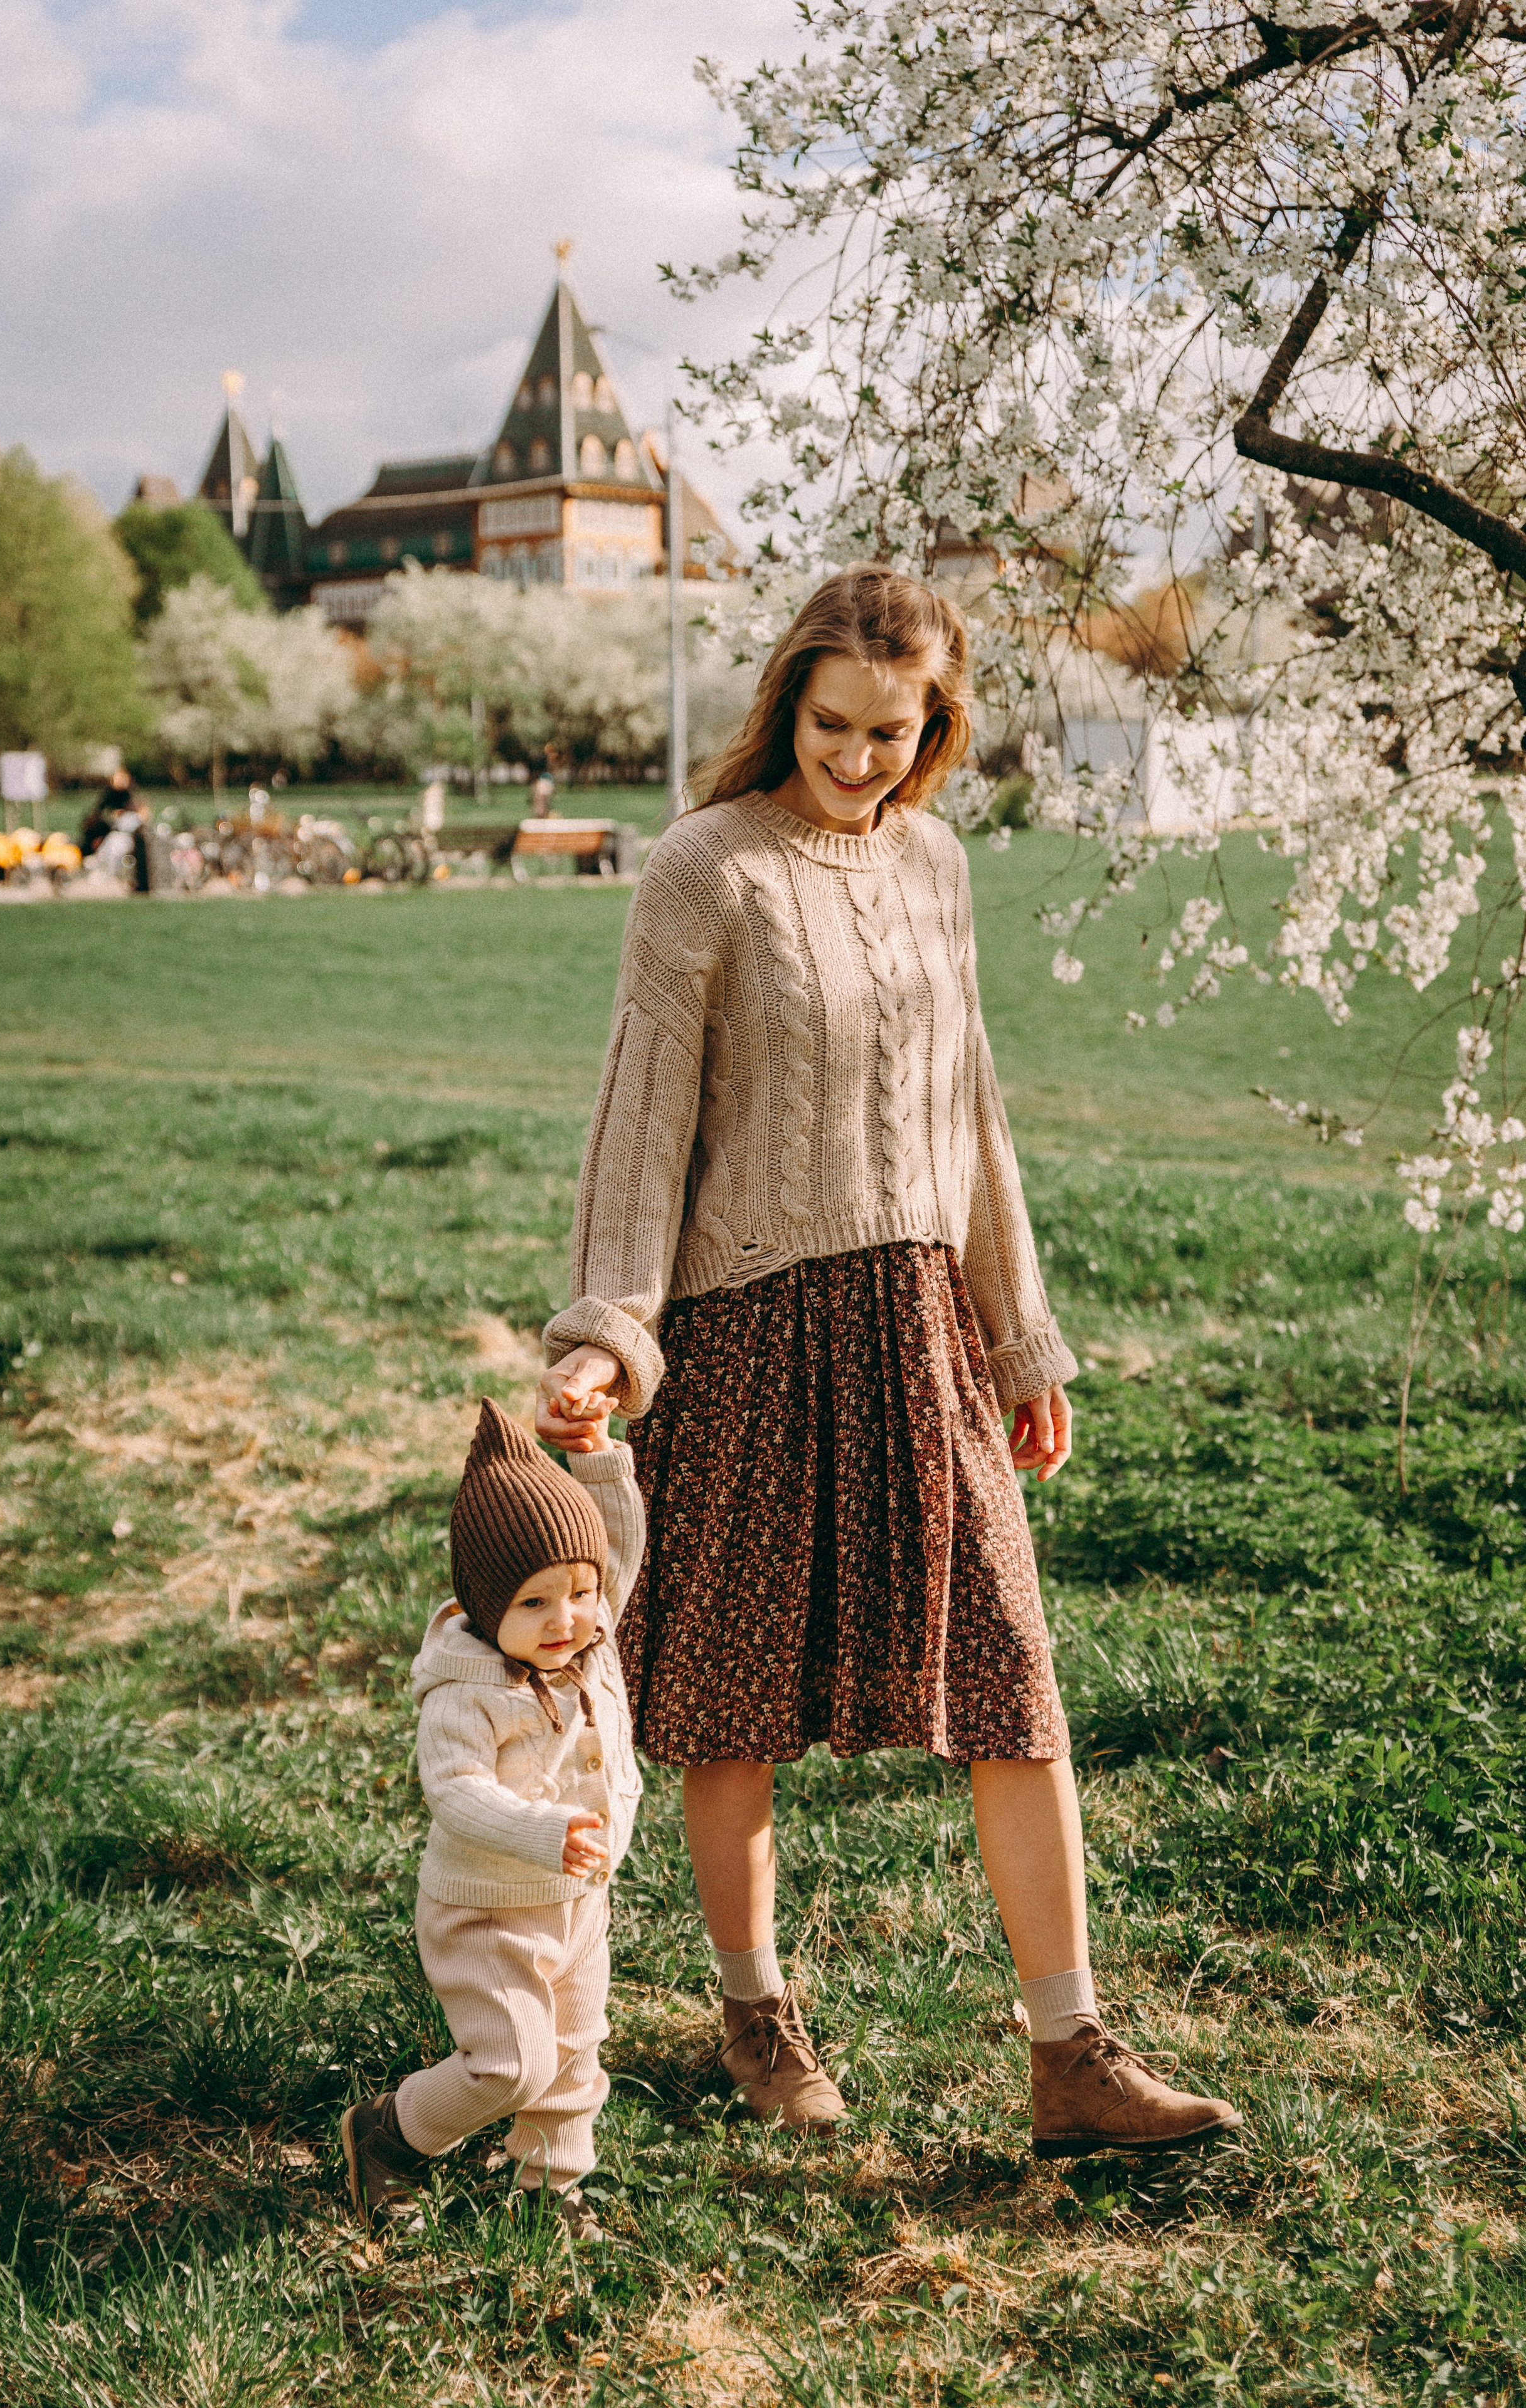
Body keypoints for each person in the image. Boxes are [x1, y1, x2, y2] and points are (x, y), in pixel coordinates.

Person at [537, 564, 1240, 2161]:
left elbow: (970, 1115)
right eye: (831, 724)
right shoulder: (702, 871)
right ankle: (753, 2014)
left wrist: (1018, 1331)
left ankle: (1070, 2051)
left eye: (890, 730)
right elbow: (642, 1125)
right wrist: (605, 1336)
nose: (857, 757)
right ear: (788, 700)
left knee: (1011, 1677)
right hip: (747, 1326)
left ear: (936, 723)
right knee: (728, 1707)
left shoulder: (934, 864)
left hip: (921, 1324)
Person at [341, 1398, 644, 2231]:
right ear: (485, 1604)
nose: (568, 1620)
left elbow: (617, 1550)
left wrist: (601, 1460)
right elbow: (457, 1791)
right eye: (535, 1604)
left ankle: (551, 2189)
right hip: (486, 1912)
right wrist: (543, 1832)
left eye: (579, 1594)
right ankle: (390, 2135)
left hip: (577, 1907)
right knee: (510, 2063)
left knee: (576, 2055)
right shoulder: (466, 1695)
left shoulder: (591, 1637)